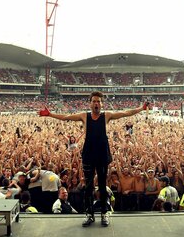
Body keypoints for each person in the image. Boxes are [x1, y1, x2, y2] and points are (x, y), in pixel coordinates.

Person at [39, 91, 149, 227]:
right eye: (94, 101)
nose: (96, 103)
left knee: (103, 186)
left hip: (102, 153)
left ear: (101, 104)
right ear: (90, 103)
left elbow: (125, 113)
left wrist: (141, 108)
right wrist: (50, 114)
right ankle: (89, 215)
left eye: (99, 101)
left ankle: (104, 214)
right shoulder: (84, 116)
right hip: (89, 154)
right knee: (88, 186)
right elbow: (66, 117)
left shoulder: (106, 116)